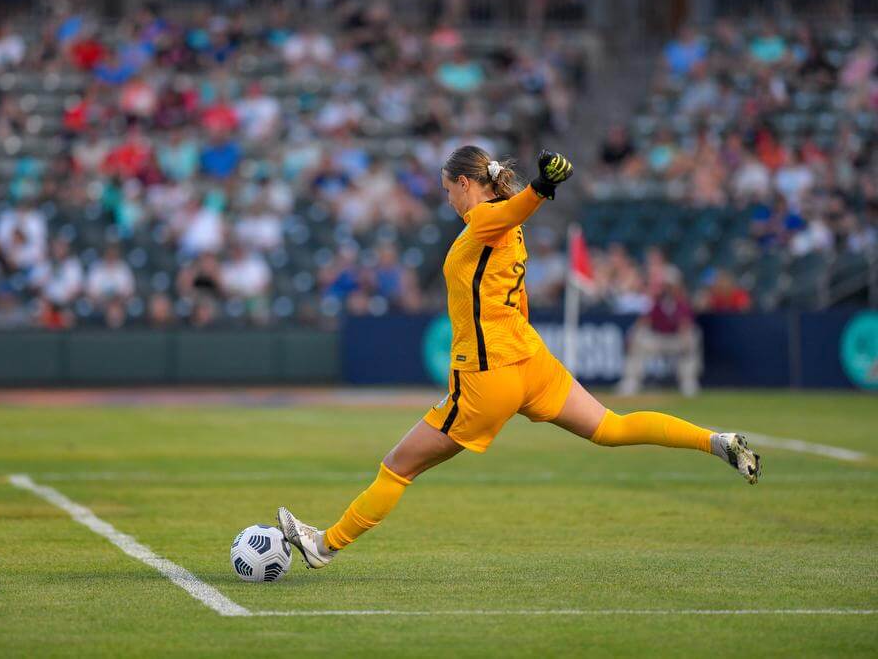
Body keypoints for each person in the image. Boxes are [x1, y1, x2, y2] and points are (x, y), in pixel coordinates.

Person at [278, 147, 761, 570]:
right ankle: (714, 441)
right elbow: (516, 272)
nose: (449, 200)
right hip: (531, 361)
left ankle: (325, 545)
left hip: (488, 377)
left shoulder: (488, 220)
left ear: (466, 184)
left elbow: (502, 212)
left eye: (450, 190)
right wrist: (535, 192)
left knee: (397, 467)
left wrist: (541, 186)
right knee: (611, 427)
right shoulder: (508, 228)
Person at [618, 267, 702, 396]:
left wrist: (685, 338)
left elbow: (685, 325)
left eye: (671, 285)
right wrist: (633, 334)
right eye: (666, 286)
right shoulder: (656, 302)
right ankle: (631, 381)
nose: (668, 289)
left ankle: (688, 381)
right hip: (659, 339)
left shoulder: (682, 303)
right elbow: (644, 321)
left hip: (676, 340)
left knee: (693, 337)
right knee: (638, 340)